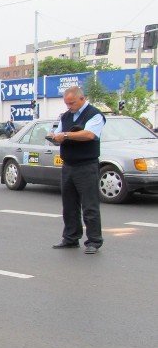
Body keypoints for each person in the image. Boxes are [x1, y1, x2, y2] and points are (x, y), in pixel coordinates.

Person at [48, 86, 105, 254]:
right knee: (69, 205)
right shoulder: (66, 116)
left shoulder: (94, 114)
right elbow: (58, 133)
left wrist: (65, 136)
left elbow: (89, 135)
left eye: (71, 103)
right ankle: (71, 238)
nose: (69, 107)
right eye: (66, 103)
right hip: (69, 165)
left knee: (90, 205)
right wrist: (55, 138)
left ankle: (94, 241)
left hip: (86, 165)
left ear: (82, 99)